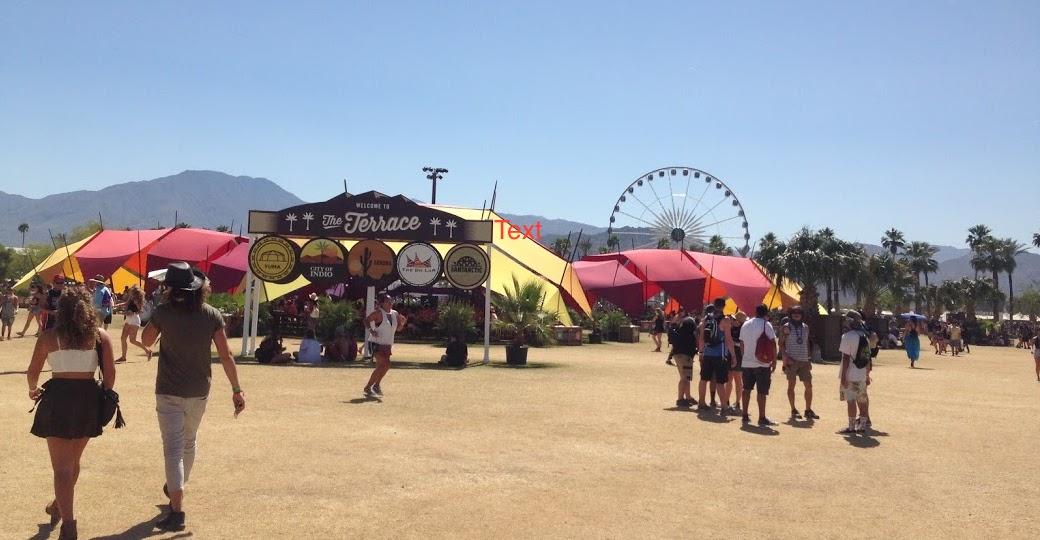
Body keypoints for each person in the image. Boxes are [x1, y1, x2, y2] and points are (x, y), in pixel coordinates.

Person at [141, 263, 246, 532]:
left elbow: (147, 339)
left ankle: (177, 510)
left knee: (173, 449)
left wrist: (158, 318)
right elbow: (226, 355)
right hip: (199, 390)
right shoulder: (211, 315)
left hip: (168, 389)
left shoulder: (163, 313)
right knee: (189, 442)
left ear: (170, 289)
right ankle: (177, 487)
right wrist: (236, 389)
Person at [26, 287, 117, 540]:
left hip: (58, 400)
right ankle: (58, 505)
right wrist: (102, 395)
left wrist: (33, 389)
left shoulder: (49, 337)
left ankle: (69, 525)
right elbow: (110, 377)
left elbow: (33, 372)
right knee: (73, 462)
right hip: (88, 401)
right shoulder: (100, 336)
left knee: (62, 468)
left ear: (61, 310)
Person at [739, 304, 778, 426]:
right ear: (766, 313)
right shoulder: (767, 325)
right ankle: (762, 417)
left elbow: (741, 343)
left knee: (746, 389)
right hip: (762, 363)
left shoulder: (746, 324)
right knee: (762, 391)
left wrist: (745, 356)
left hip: (747, 362)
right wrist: (774, 360)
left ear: (755, 312)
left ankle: (744, 415)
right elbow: (772, 343)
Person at [363, 293, 408, 398]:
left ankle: (375, 385)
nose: (390, 303)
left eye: (391, 301)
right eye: (388, 301)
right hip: (376, 343)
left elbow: (398, 329)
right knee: (384, 364)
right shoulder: (378, 313)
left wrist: (403, 323)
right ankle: (370, 386)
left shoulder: (395, 314)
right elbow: (366, 320)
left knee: (384, 366)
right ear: (382, 303)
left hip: (387, 344)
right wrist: (371, 330)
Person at [696, 298, 736, 413]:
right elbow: (728, 340)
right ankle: (724, 406)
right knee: (720, 381)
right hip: (720, 355)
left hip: (707, 353)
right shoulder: (725, 320)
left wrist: (701, 352)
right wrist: (733, 356)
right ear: (724, 306)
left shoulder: (705, 319)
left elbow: (702, 338)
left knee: (703, 379)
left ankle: (701, 402)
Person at [838, 311, 874, 434]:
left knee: (851, 401)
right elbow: (868, 358)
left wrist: (843, 377)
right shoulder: (865, 337)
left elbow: (846, 358)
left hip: (850, 374)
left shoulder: (847, 337)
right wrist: (867, 375)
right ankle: (863, 426)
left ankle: (851, 427)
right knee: (862, 400)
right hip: (862, 373)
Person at [780, 306, 818, 420]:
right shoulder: (786, 327)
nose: (796, 314)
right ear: (790, 314)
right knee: (791, 385)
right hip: (791, 360)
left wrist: (809, 358)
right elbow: (781, 343)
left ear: (802, 315)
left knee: (809, 386)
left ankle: (808, 410)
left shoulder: (805, 327)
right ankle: (793, 409)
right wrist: (785, 357)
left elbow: (806, 343)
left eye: (799, 312)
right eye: (794, 312)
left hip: (804, 360)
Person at [116, 285, 152, 363]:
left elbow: (141, 311)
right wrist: (117, 305)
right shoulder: (131, 298)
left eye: (132, 290)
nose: (130, 291)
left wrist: (133, 312)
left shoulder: (137, 300)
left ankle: (148, 351)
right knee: (123, 338)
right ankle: (123, 357)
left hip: (134, 319)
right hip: (128, 319)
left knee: (132, 340)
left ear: (135, 292)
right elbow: (126, 303)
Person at [670, 312, 698, 408]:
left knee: (686, 377)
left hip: (678, 353)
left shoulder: (680, 324)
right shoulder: (690, 322)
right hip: (685, 354)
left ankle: (688, 397)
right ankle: (680, 399)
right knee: (684, 378)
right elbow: (695, 335)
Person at [724, 311, 747, 414]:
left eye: (734, 319)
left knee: (737, 380)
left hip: (738, 355)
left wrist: (733, 343)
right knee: (729, 379)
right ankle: (726, 401)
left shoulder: (743, 330)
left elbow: (743, 344)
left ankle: (737, 402)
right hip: (730, 354)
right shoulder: (731, 328)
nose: (733, 321)